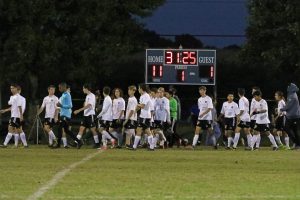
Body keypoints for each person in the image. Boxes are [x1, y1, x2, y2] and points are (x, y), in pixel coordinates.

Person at [55, 82, 82, 149]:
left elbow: (70, 106)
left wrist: (61, 105)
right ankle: (79, 141)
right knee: (67, 130)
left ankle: (58, 144)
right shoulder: (63, 95)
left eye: (60, 87)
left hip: (65, 115)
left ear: (64, 87)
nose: (59, 89)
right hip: (63, 114)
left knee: (60, 128)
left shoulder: (67, 95)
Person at [0, 84, 28, 148]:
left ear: (16, 89)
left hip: (15, 116)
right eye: (11, 88)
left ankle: (5, 144)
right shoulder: (14, 97)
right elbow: (13, 107)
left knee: (11, 129)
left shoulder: (17, 97)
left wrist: (21, 115)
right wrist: (5, 110)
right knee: (19, 130)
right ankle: (25, 145)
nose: (11, 89)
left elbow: (19, 106)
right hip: (15, 116)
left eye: (13, 88)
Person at [73, 84, 100, 148]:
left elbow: (89, 105)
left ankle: (97, 143)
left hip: (90, 115)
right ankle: (76, 142)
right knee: (81, 128)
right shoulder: (87, 96)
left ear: (86, 89)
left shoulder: (92, 96)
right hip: (85, 116)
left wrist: (79, 110)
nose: (83, 90)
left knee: (93, 130)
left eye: (83, 88)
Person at [130, 83, 155, 151]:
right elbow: (140, 106)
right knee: (143, 130)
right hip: (143, 116)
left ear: (141, 89)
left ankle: (150, 147)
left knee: (143, 130)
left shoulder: (146, 96)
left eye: (138, 88)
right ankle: (135, 147)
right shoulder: (142, 96)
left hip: (145, 116)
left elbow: (143, 106)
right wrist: (135, 110)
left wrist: (137, 105)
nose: (138, 89)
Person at [281, 83, 300, 149]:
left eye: (289, 87)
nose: (288, 88)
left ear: (292, 88)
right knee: (295, 130)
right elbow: (289, 104)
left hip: (293, 116)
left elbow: (288, 106)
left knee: (286, 128)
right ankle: (297, 144)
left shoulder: (292, 96)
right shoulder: (293, 94)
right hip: (294, 116)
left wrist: (281, 109)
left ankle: (296, 142)